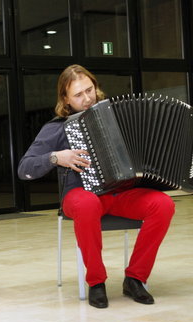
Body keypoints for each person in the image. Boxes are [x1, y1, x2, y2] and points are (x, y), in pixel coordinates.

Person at [17, 64, 175, 309]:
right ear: (65, 99)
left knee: (162, 204)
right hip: (80, 195)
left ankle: (135, 278)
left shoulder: (118, 115)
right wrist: (57, 157)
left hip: (121, 193)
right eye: (78, 95)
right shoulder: (58, 127)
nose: (87, 98)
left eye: (89, 90)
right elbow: (24, 168)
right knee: (88, 203)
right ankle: (96, 282)